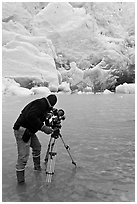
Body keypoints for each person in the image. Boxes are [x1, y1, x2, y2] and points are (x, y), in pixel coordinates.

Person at [13, 94, 57, 184]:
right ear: (51, 104)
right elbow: (31, 116)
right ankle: (21, 183)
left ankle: (37, 169)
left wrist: (47, 119)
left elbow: (38, 118)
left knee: (37, 147)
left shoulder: (42, 106)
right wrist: (43, 128)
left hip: (29, 131)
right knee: (23, 157)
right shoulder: (40, 104)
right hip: (22, 130)